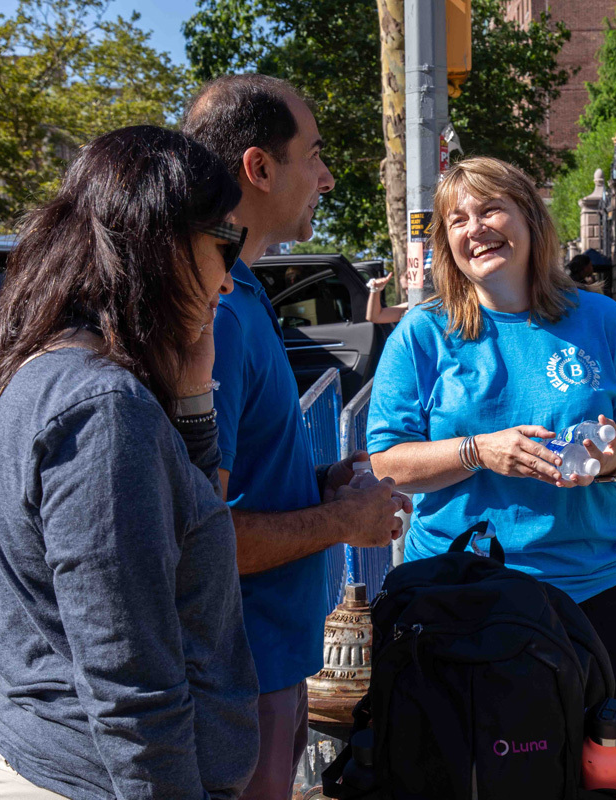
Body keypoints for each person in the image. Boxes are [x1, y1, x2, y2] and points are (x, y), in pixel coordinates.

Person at [0, 126, 259, 799]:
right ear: (165, 243)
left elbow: (188, 529)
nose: (231, 280)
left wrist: (193, 402)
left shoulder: (21, 373)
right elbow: (132, 680)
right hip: (97, 782)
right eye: (225, 245)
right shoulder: (101, 409)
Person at [367, 156, 616, 729]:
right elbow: (387, 463)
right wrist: (477, 451)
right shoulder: (422, 333)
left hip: (598, 585)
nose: (474, 227)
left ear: (529, 219)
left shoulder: (603, 320)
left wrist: (611, 462)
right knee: (479, 773)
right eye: (457, 219)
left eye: (491, 209)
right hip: (463, 594)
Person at [182, 74, 409, 800]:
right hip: (234, 674)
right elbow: (195, 534)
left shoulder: (239, 288)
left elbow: (233, 483)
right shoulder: (212, 311)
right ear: (259, 167)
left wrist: (319, 484)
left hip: (270, 661)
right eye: (313, 155)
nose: (328, 176)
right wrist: (343, 520)